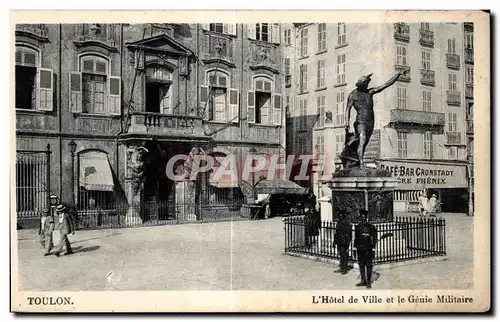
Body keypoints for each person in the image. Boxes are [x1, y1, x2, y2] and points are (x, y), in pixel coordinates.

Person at [345, 69, 409, 167]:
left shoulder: (370, 92)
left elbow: (386, 84)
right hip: (360, 121)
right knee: (362, 140)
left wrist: (397, 75)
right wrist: (346, 123)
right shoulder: (352, 95)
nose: (367, 86)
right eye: (366, 84)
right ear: (361, 84)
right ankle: (361, 164)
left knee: (365, 143)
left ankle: (357, 161)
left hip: (370, 121)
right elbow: (347, 110)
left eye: (367, 84)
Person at [354, 209, 378, 289]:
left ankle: (368, 282)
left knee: (368, 266)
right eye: (362, 217)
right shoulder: (358, 227)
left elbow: (375, 238)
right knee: (361, 265)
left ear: (366, 217)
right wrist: (354, 248)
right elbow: (356, 238)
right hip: (360, 249)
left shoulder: (371, 227)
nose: (363, 218)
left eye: (364, 217)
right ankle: (363, 280)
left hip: (368, 249)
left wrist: (374, 249)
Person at [334, 210, 352, 274]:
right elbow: (336, 233)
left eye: (341, 216)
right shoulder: (338, 223)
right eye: (339, 216)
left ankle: (344, 268)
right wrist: (335, 241)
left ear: (344, 216)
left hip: (344, 241)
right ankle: (341, 267)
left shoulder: (347, 223)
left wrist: (348, 241)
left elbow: (349, 233)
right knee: (341, 254)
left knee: (344, 254)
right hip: (339, 241)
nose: (340, 217)